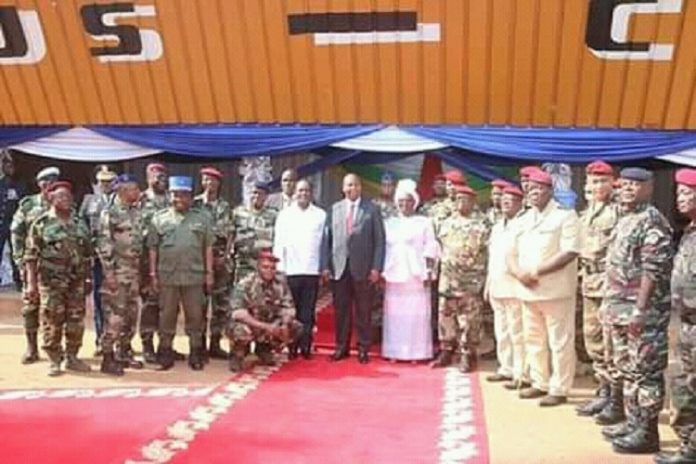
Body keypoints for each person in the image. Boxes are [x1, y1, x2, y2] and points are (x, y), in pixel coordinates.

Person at [600, 168, 673, 455]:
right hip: (618, 308)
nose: (628, 189)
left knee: (646, 373)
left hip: (642, 312)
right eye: (625, 184)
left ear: (649, 188)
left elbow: (652, 270)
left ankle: (647, 431)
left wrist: (640, 310)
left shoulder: (652, 221)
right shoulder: (625, 218)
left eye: (636, 184)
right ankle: (632, 422)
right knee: (627, 369)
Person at [507, 168, 580, 407]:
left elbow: (569, 252)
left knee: (560, 341)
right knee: (533, 339)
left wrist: (535, 272)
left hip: (555, 290)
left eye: (538, 189)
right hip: (527, 290)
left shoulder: (565, 216)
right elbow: (510, 253)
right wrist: (518, 273)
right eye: (529, 189)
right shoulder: (524, 219)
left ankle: (559, 388)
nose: (532, 193)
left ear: (550, 191)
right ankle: (540, 382)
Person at [24, 181, 93, 377]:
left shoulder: (79, 223)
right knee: (52, 320)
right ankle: (54, 359)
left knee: (76, 320)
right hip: (51, 282)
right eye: (61, 196)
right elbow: (30, 256)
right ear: (51, 199)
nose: (66, 200)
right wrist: (31, 284)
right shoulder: (42, 223)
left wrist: (88, 278)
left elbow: (88, 253)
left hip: (76, 282)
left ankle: (72, 357)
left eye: (68, 197)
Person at [148, 176, 214, 371]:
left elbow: (208, 247)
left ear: (191, 197)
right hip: (168, 276)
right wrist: (153, 274)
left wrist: (209, 273)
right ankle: (165, 352)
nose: (180, 199)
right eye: (176, 195)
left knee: (195, 316)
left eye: (184, 195)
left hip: (194, 276)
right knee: (166, 315)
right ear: (170, 195)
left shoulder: (202, 218)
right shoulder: (159, 218)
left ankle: (195, 352)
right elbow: (153, 248)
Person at [320, 173, 385, 364]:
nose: (351, 189)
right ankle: (342, 348)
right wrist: (324, 266)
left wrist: (376, 268)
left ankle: (363, 348)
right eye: (348, 185)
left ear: (360, 187)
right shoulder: (334, 209)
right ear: (343, 188)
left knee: (364, 311)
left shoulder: (372, 209)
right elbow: (326, 240)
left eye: (355, 185)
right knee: (341, 311)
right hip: (339, 268)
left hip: (363, 268)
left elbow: (380, 241)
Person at [655, 169, 696, 464]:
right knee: (684, 385)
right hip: (686, 325)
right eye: (679, 193)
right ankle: (689, 445)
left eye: (687, 193)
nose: (681, 198)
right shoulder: (688, 233)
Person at [575, 161, 621, 417]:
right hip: (589, 284)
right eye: (593, 181)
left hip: (609, 286)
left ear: (612, 183)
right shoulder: (586, 213)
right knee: (593, 341)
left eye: (602, 181)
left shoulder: (617, 212)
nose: (597, 186)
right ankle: (603, 390)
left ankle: (615, 397)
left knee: (610, 342)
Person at [431, 184, 490, 372]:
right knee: (446, 318)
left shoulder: (482, 225)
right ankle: (446, 351)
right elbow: (439, 248)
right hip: (448, 281)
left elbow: (488, 253)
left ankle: (466, 354)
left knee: (469, 321)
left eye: (466, 199)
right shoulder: (446, 223)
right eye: (458, 199)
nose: (461, 203)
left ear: (473, 202)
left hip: (470, 282)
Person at [381, 179, 439, 361]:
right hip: (394, 275)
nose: (404, 204)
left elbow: (431, 247)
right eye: (401, 201)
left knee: (416, 317)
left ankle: (417, 353)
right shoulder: (389, 223)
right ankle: (395, 352)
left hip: (416, 276)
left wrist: (430, 271)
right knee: (395, 317)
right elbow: (382, 248)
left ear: (415, 202)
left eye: (408, 201)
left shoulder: (424, 222)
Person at [97, 174, 146, 376]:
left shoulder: (136, 211)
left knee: (131, 315)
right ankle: (107, 358)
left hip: (133, 272)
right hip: (117, 273)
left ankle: (124, 352)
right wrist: (109, 274)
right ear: (123, 191)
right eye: (134, 189)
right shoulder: (110, 213)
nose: (138, 192)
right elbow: (103, 245)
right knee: (115, 318)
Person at [10, 165, 59, 364]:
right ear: (41, 185)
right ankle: (32, 348)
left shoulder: (64, 204)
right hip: (32, 266)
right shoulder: (28, 205)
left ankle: (55, 348)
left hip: (56, 268)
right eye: (47, 183)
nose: (51, 187)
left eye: (54, 183)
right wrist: (19, 260)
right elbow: (16, 233)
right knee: (31, 306)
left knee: (55, 309)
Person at [273, 179, 326, 359]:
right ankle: (292, 347)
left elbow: (323, 245)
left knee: (307, 312)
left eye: (306, 190)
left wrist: (323, 268)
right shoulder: (285, 215)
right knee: (291, 311)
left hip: (311, 270)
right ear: (295, 193)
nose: (303, 194)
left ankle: (306, 346)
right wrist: (280, 270)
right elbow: (279, 244)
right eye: (300, 191)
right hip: (291, 270)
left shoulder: (320, 215)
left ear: (311, 193)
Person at [227, 250, 303, 372]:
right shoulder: (246, 283)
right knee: (240, 330)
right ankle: (237, 355)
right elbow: (238, 313)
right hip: (251, 324)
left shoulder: (281, 283)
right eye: (265, 267)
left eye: (272, 268)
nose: (269, 271)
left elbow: (288, 307)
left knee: (296, 327)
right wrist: (266, 327)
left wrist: (284, 324)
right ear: (258, 267)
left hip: (270, 322)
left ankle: (264, 348)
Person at [485, 184, 527, 386]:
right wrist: (487, 284)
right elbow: (492, 258)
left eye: (510, 201)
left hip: (515, 286)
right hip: (496, 284)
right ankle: (505, 368)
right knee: (501, 331)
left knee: (517, 332)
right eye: (503, 201)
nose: (505, 205)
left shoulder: (524, 225)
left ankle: (521, 373)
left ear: (520, 203)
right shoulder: (496, 226)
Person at [193, 167, 233, 360]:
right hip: (199, 262)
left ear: (218, 184)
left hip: (220, 263)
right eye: (206, 180)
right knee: (199, 305)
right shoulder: (194, 205)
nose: (210, 184)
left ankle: (215, 343)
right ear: (202, 182)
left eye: (213, 181)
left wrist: (223, 257)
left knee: (220, 306)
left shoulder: (225, 206)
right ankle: (198, 345)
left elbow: (227, 233)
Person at [79, 165, 117, 355]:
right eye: (102, 181)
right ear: (96, 182)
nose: (106, 185)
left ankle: (120, 343)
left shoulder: (122, 200)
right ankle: (101, 341)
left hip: (120, 260)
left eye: (109, 181)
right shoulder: (89, 201)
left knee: (121, 302)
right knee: (100, 301)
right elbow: (82, 228)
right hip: (98, 260)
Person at [138, 162, 172, 364]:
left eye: (164, 177)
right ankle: (147, 345)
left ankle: (165, 345)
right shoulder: (141, 200)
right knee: (150, 304)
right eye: (157, 176)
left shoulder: (171, 199)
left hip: (169, 260)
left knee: (167, 305)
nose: (161, 180)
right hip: (147, 260)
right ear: (148, 177)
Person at [231, 182, 277, 286]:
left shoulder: (274, 215)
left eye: (260, 193)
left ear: (266, 196)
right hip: (244, 265)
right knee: (242, 297)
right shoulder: (237, 213)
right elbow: (230, 236)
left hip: (265, 266)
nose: (256, 196)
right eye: (254, 193)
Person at [0, 151, 24, 289]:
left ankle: (19, 280)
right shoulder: (1, 183)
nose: (9, 167)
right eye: (6, 164)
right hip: (1, 223)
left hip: (14, 224)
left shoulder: (19, 185)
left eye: (11, 165)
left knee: (16, 253)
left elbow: (22, 204)